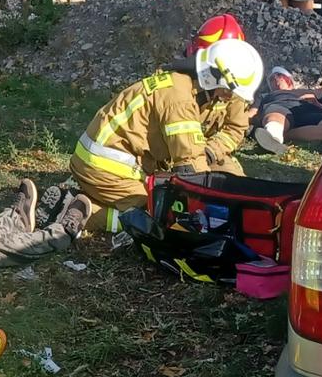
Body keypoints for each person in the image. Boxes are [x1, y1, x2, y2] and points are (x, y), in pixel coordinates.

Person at [71, 39, 264, 232]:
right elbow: (190, 166)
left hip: (116, 160)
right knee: (160, 215)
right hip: (105, 167)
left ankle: (79, 199)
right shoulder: (179, 100)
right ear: (212, 76)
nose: (229, 98)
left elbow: (220, 137)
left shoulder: (186, 86)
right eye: (228, 91)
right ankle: (78, 210)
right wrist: (208, 209)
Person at [252, 66, 322, 153]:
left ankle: (279, 137)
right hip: (280, 107)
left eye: (279, 76)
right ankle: (274, 135)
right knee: (276, 116)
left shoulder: (315, 92)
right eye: (272, 79)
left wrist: (320, 105)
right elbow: (253, 112)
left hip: (310, 110)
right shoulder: (265, 96)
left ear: (289, 79)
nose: (275, 79)